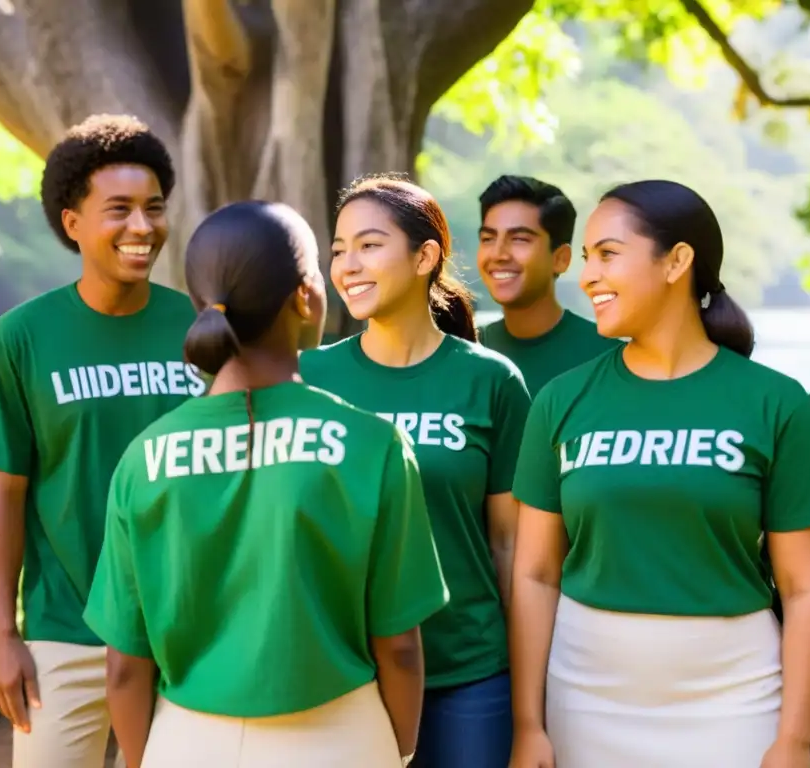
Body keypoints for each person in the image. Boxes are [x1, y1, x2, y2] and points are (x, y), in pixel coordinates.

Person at [82, 200, 449, 768]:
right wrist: (397, 752)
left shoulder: (142, 458)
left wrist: (143, 759)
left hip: (187, 743)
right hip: (342, 738)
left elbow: (125, 664)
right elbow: (400, 646)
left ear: (200, 303)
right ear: (305, 296)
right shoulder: (371, 444)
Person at [508, 179, 810, 768]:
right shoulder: (561, 401)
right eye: (586, 258)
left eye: (608, 254)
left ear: (678, 262)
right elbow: (535, 575)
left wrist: (793, 737)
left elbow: (809, 589)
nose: (587, 276)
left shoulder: (776, 403)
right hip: (587, 695)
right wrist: (527, 725)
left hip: (736, 697)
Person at [0, 114, 207, 768]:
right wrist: (1, 636)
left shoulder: (199, 327)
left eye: (154, 209)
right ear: (73, 223)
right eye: (119, 210)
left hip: (182, 636)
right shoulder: (21, 338)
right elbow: (4, 495)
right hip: (65, 635)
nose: (142, 228)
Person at [300, 175, 532, 768]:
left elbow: (509, 545)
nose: (348, 265)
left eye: (369, 245)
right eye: (338, 250)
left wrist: (530, 697)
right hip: (342, 673)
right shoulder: (308, 379)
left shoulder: (493, 381)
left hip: (470, 673)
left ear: (425, 256)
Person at [476, 175, 618, 394]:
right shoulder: (465, 348)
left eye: (519, 239)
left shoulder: (608, 357)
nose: (498, 254)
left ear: (561, 258)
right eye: (488, 239)